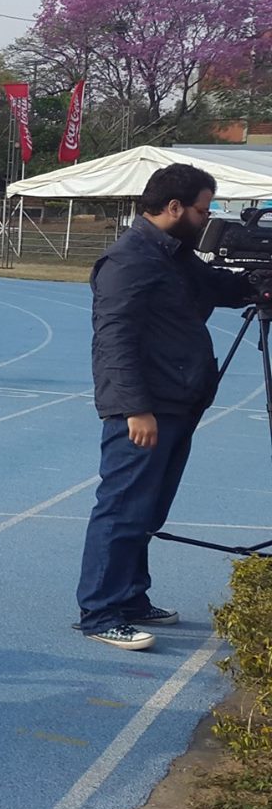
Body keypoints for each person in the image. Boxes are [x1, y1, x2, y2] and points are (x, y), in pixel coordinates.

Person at [77, 163, 256, 650]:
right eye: (203, 210)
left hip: (179, 401)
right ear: (174, 207)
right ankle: (100, 612)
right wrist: (135, 409)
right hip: (145, 408)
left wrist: (256, 282)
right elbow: (114, 340)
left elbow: (219, 288)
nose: (208, 219)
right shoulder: (129, 260)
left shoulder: (174, 256)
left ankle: (131, 597)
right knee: (121, 508)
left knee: (147, 510)